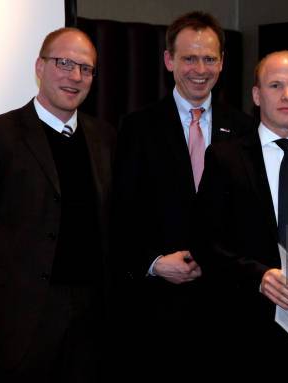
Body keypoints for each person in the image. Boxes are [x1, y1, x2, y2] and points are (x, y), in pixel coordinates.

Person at [0, 28, 115, 382]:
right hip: (19, 318)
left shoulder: (107, 138)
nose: (75, 77)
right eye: (64, 63)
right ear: (39, 67)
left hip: (92, 318)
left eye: (86, 69)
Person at [112, 11, 252, 374]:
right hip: (157, 310)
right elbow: (120, 213)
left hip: (226, 308)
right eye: (189, 58)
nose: (199, 69)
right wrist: (155, 264)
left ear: (222, 62)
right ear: (169, 60)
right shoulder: (137, 127)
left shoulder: (244, 129)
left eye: (209, 58)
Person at [195, 50, 288, 378]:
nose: (287, 95)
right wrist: (258, 277)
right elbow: (205, 241)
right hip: (245, 333)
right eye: (275, 85)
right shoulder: (225, 158)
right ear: (256, 95)